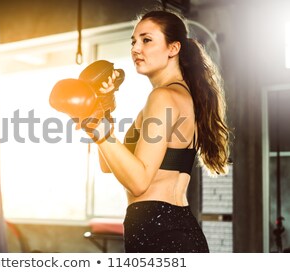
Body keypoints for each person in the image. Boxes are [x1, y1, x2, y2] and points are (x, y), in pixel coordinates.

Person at [90, 10, 229, 253]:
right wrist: (104, 106)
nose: (135, 49)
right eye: (133, 42)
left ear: (173, 48)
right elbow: (108, 163)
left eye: (146, 40)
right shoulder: (177, 96)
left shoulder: (163, 97)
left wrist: (93, 123)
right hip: (167, 227)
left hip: (161, 232)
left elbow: (138, 182)